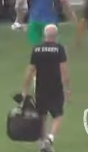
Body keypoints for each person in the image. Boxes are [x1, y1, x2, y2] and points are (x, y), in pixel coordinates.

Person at [22, 24, 69, 152]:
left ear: (44, 35)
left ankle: (43, 142)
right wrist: (67, 87)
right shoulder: (59, 49)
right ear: (56, 36)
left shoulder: (37, 49)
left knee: (41, 115)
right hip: (56, 86)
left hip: (40, 86)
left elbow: (30, 70)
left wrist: (25, 89)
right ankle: (50, 138)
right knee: (58, 114)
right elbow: (63, 70)